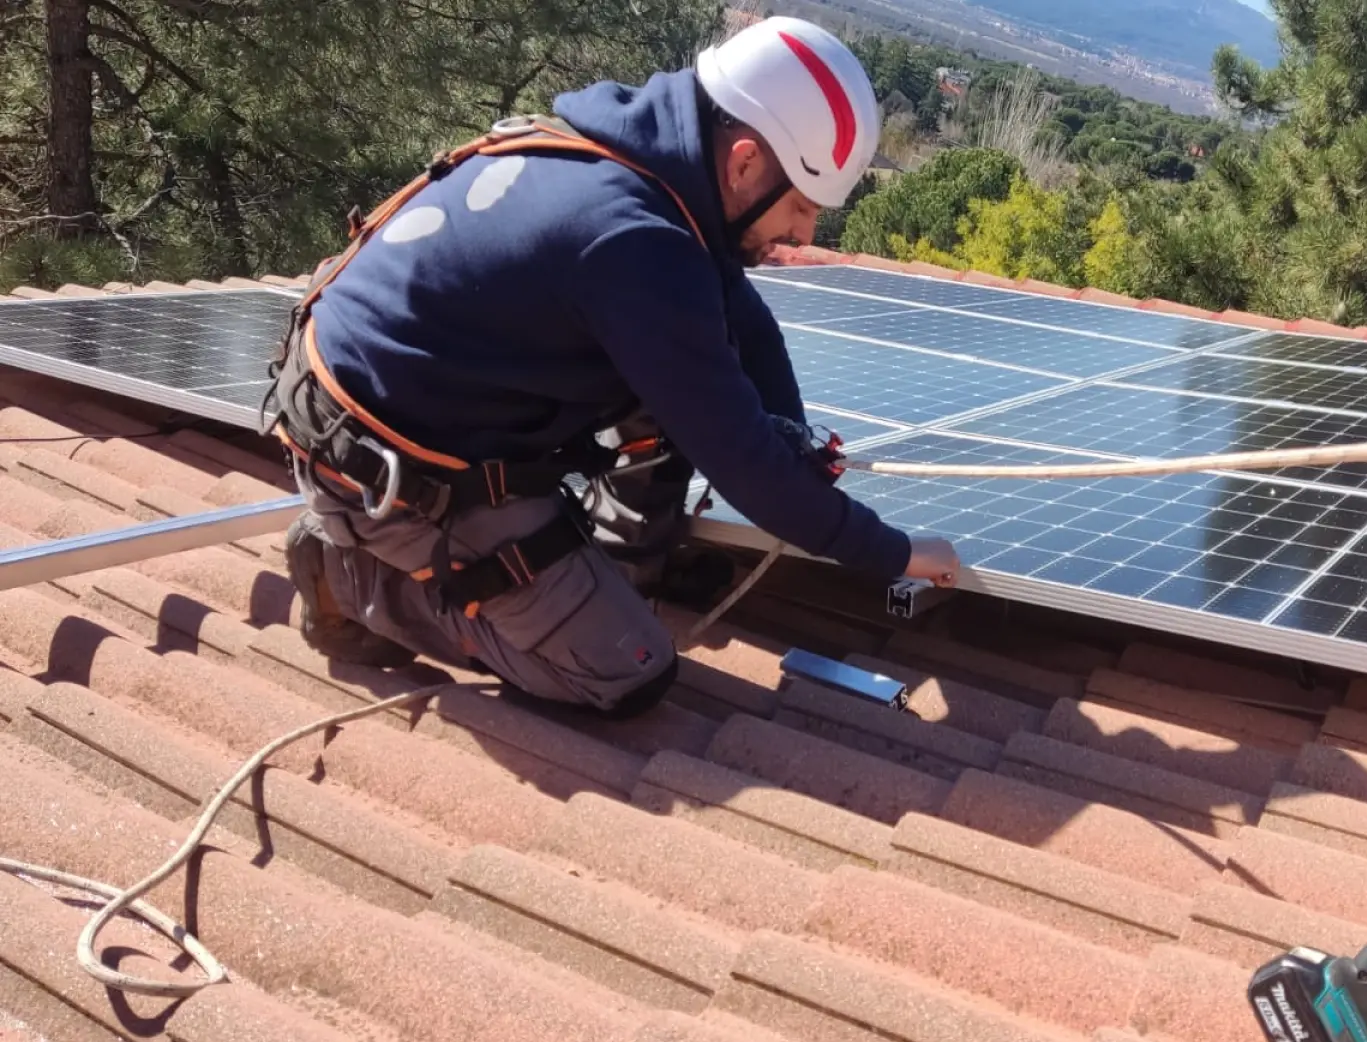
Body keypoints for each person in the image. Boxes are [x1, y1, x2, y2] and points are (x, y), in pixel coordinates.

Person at [261, 16, 962, 720]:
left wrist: (795, 438)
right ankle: (350, 577)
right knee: (625, 670)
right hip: (380, 460)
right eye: (803, 206)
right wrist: (897, 553)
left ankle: (610, 572)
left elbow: (737, 318)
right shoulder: (633, 241)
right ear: (747, 161)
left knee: (682, 382)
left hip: (427, 404)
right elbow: (744, 464)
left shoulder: (646, 163)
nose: (805, 236)